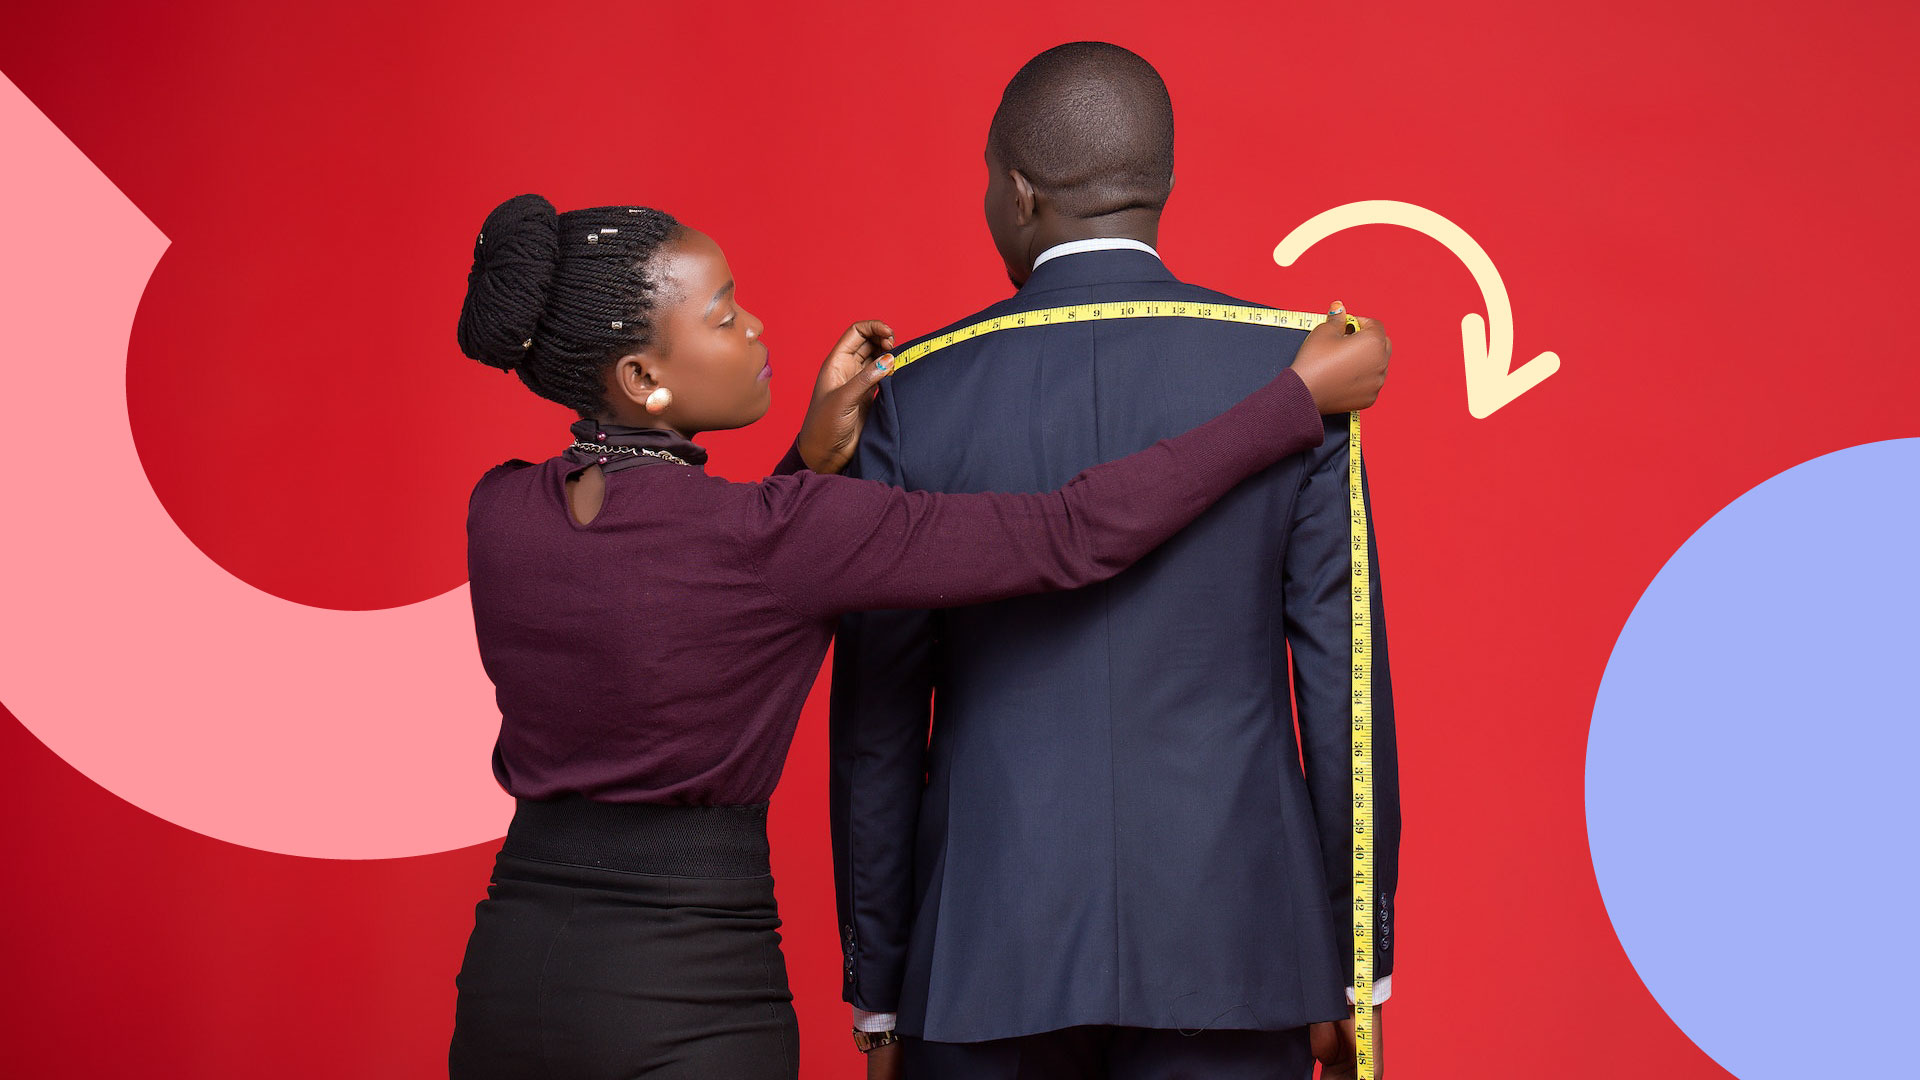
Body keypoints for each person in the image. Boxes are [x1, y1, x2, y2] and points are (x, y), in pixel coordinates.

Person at [444, 190, 1390, 1080]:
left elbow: (675, 578)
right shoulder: (785, 536)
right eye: (727, 317)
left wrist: (805, 462)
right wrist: (1290, 401)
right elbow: (1073, 533)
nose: (758, 329)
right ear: (644, 376)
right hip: (684, 999)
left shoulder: (501, 510)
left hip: (509, 975)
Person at [829, 42, 1402, 1080]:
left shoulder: (912, 392)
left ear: (1016, 192)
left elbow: (877, 717)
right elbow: (1344, 693)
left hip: (981, 955)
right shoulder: (1303, 372)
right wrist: (1353, 971)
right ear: (1165, 182)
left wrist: (880, 989)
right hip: (1238, 947)